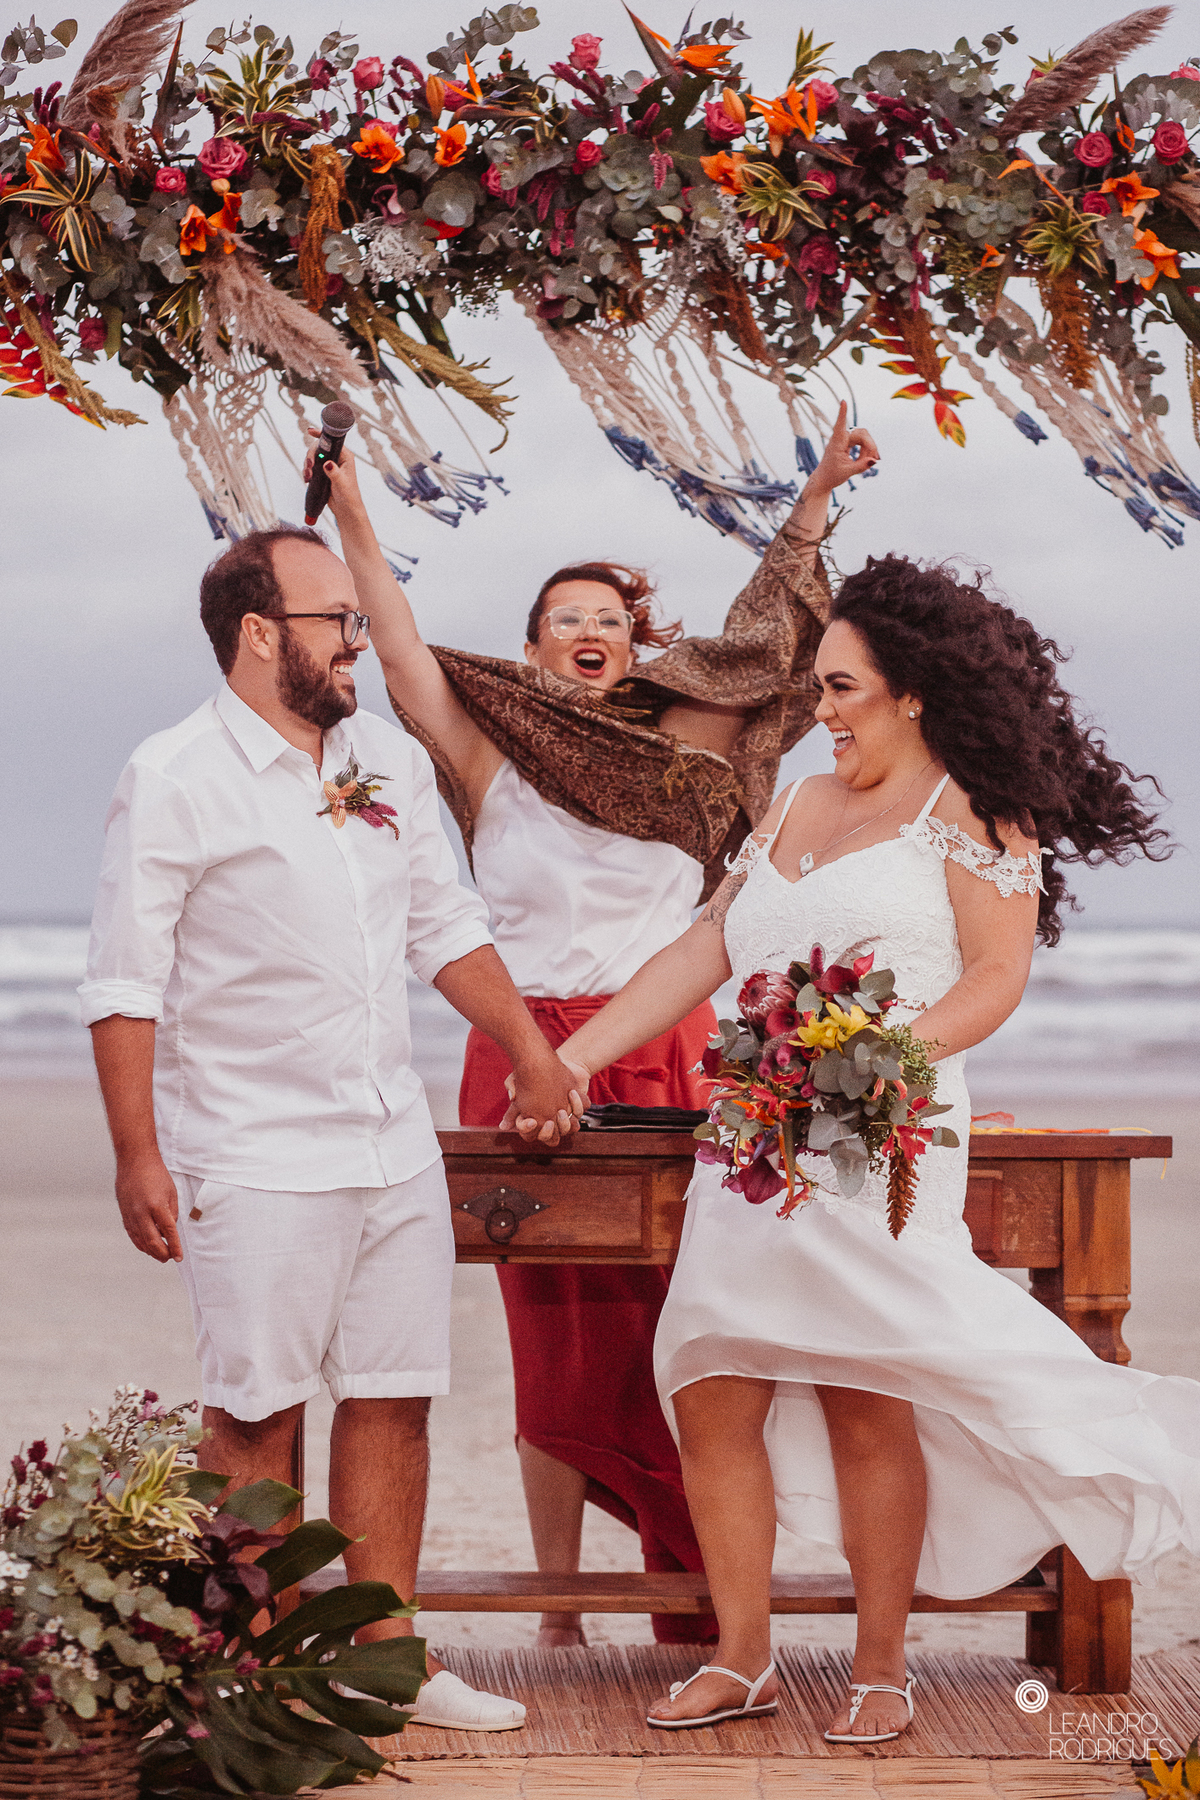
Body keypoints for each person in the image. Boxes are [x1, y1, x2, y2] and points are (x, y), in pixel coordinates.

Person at [536, 554, 1197, 1739]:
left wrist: (881, 1060)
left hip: (876, 1137)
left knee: (863, 1388)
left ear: (913, 694)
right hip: (751, 1137)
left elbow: (997, 978)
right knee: (711, 1384)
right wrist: (576, 1059)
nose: (822, 712)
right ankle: (745, 1659)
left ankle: (879, 1666)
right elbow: (706, 947)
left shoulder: (974, 812)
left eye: (841, 689)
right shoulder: (794, 799)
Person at [314, 408, 877, 1647]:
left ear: (637, 648)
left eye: (610, 620)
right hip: (516, 1054)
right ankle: (562, 1613)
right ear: (527, 653)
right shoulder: (489, 756)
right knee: (551, 1343)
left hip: (666, 1053)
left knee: (686, 1326)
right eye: (565, 617)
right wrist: (352, 509)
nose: (589, 632)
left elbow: (764, 646)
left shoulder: (690, 752)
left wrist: (817, 500)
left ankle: (696, 1596)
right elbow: (404, 654)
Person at [79, 525, 584, 1732]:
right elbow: (122, 981)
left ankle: (384, 1663)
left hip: (389, 1140)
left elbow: (443, 926)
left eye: (358, 620)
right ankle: (253, 1677)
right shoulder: (175, 774)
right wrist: (137, 1153)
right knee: (255, 1413)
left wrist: (530, 1051)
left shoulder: (385, 760)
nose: (357, 642)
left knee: (395, 1394)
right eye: (336, 622)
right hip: (249, 1149)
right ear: (261, 637)